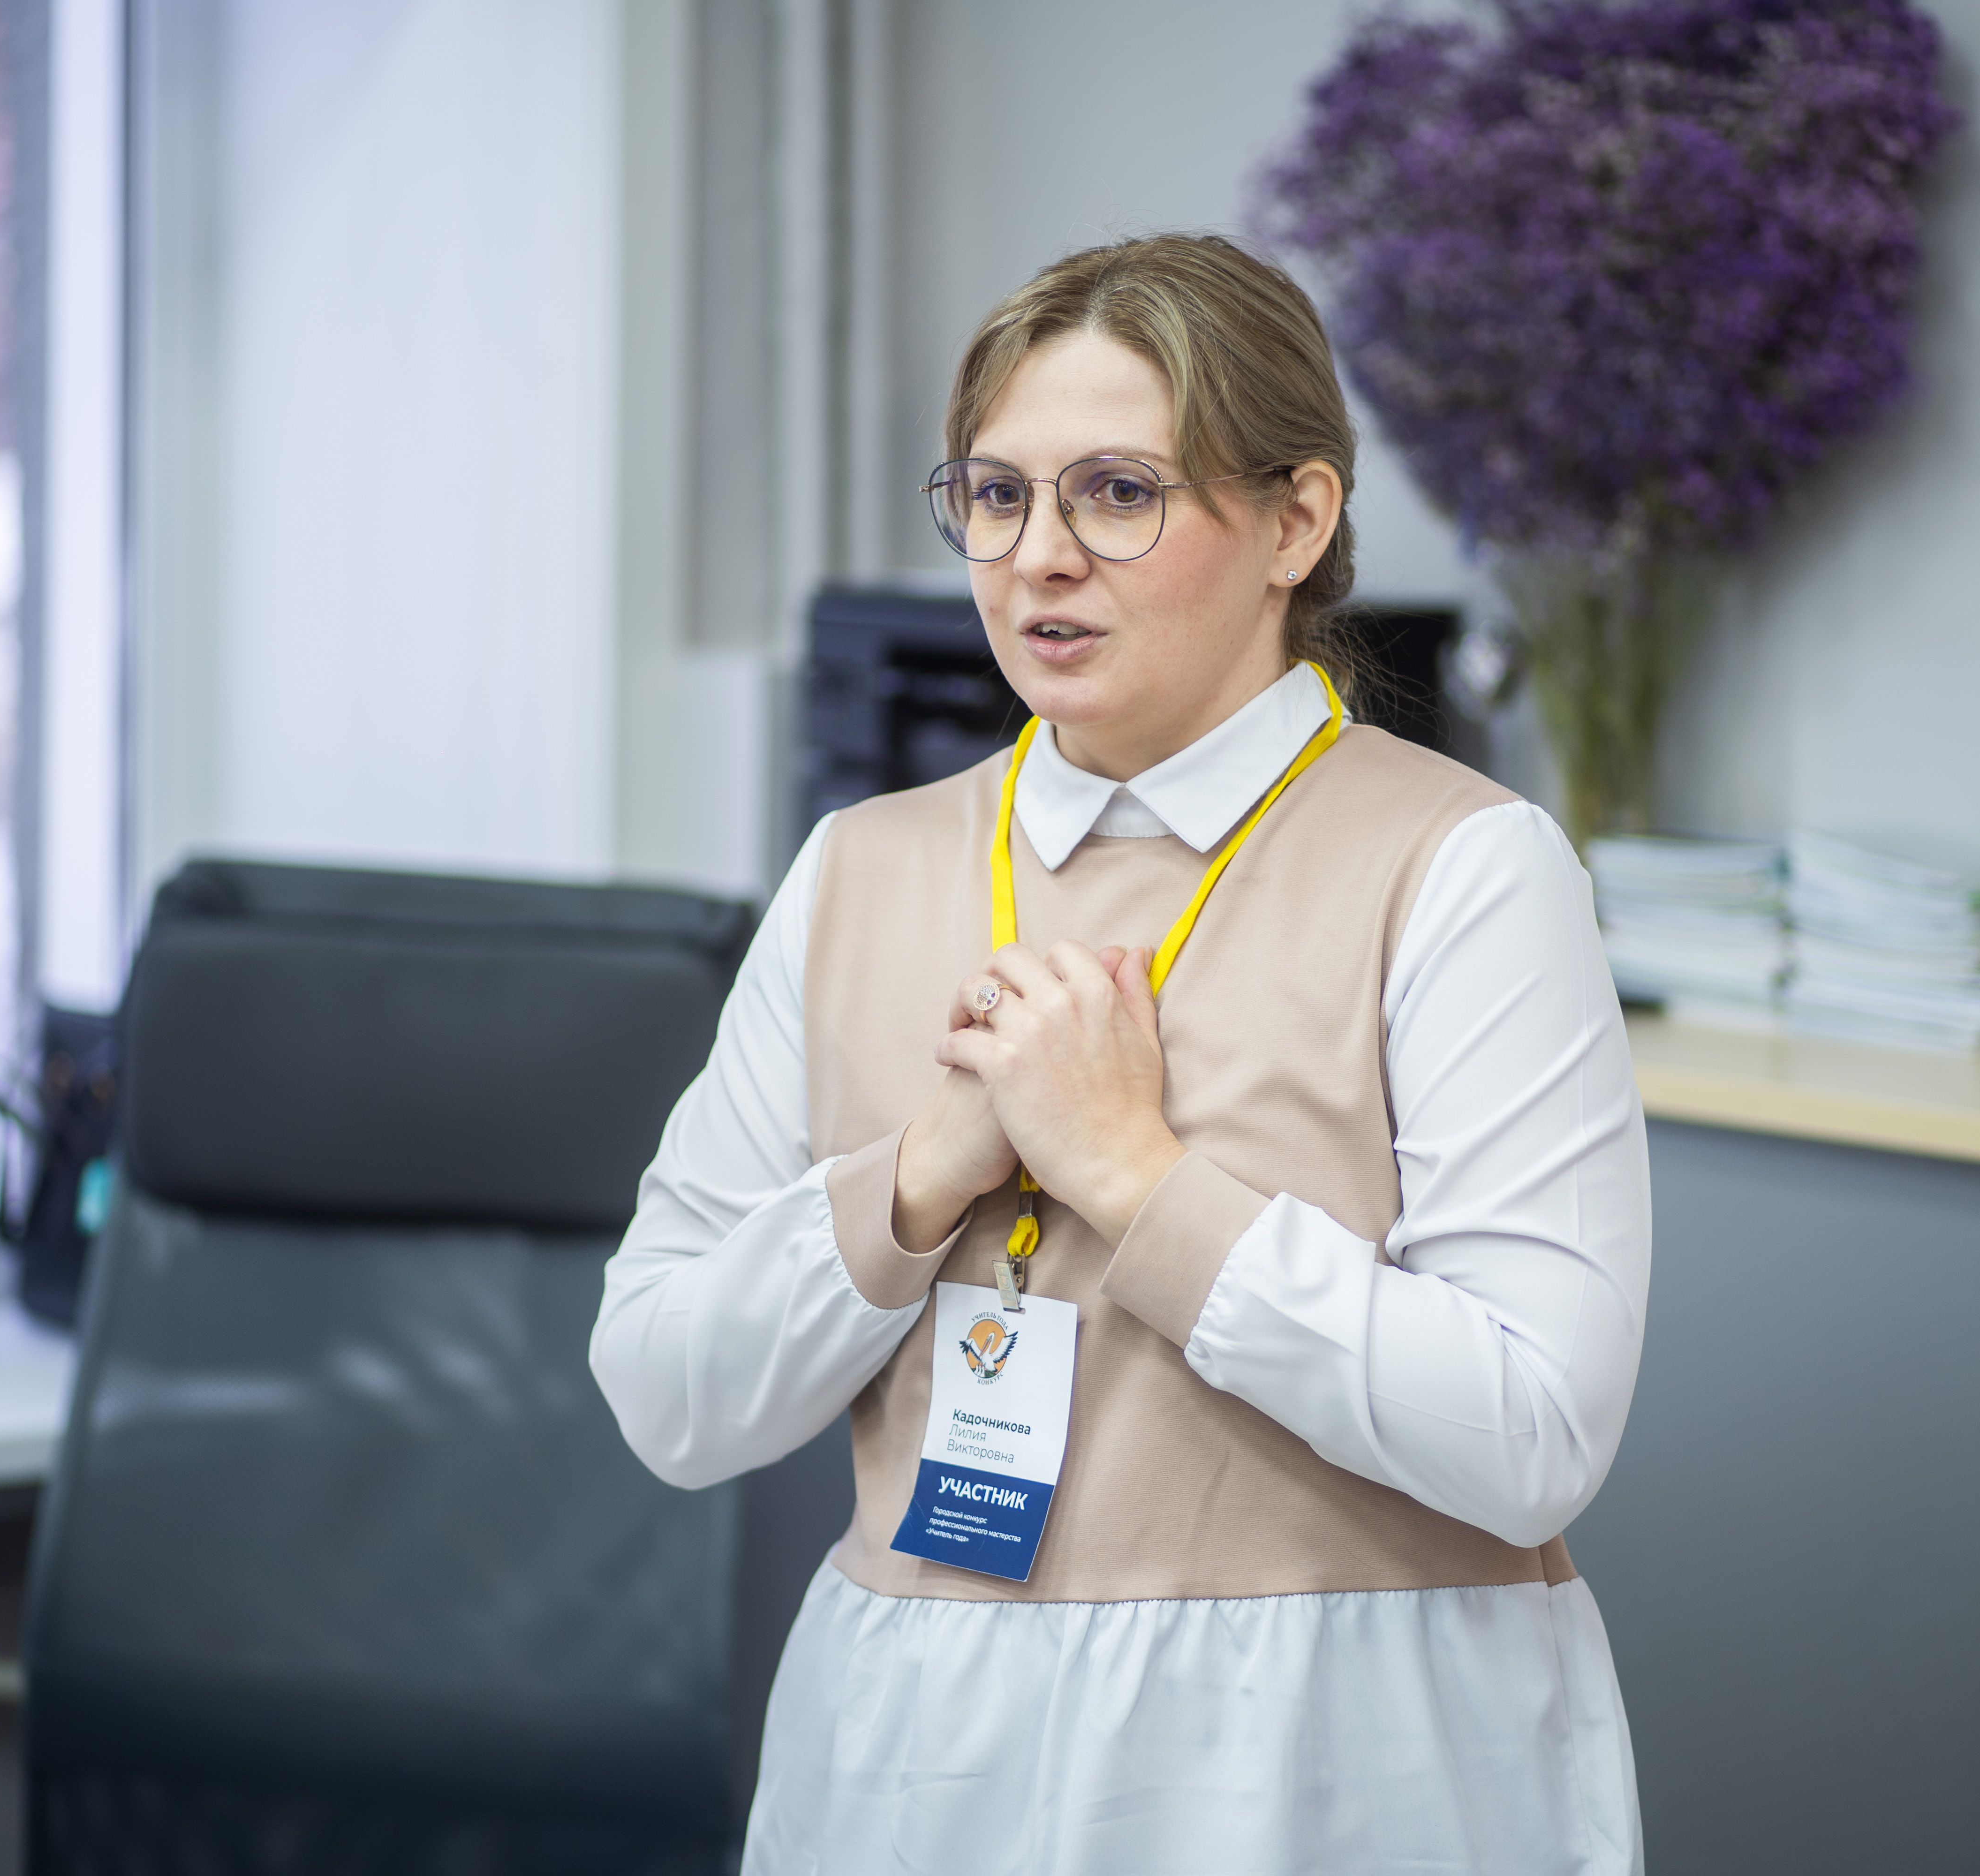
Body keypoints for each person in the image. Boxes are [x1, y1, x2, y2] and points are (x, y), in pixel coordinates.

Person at [592, 232, 1651, 1876]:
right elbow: (668, 1394)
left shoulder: (1466, 869)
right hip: (919, 1768)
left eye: (1116, 494)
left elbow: (1533, 1436)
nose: (1038, 559)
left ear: (1296, 522)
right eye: (996, 496)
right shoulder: (858, 869)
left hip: (1329, 1771)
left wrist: (1136, 1182)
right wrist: (924, 1176)